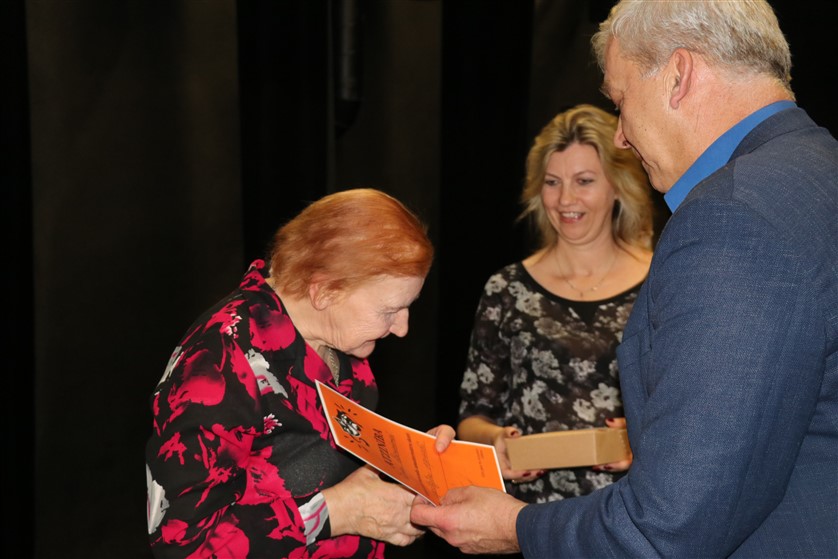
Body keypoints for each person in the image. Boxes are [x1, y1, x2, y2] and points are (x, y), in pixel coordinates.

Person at [411, 1, 837, 557]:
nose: (621, 137)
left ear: (679, 74)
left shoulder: (730, 218)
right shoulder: (819, 169)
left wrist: (517, 527)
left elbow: (670, 526)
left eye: (621, 101)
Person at [145, 188, 454, 558]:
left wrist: (413, 465)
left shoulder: (340, 340)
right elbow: (183, 545)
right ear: (323, 292)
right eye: (389, 311)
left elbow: (327, 466)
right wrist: (336, 513)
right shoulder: (220, 364)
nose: (402, 328)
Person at [457, 104, 654, 501]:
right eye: (552, 182)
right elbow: (472, 418)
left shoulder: (661, 283)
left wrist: (645, 438)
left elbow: (695, 409)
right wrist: (495, 441)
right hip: (527, 514)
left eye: (584, 181)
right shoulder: (506, 289)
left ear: (618, 185)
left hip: (630, 511)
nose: (565, 199)